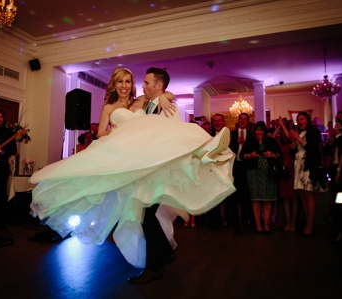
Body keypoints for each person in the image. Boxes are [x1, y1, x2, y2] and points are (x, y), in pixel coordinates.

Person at [30, 67, 235, 284]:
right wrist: (116, 131)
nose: (125, 86)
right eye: (120, 82)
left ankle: (203, 149)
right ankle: (160, 259)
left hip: (146, 161)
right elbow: (100, 134)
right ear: (114, 84)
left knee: (148, 213)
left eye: (128, 81)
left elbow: (161, 96)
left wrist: (165, 95)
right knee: (144, 216)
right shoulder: (109, 107)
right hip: (128, 162)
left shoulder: (140, 102)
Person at [279, 112, 324, 236]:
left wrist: (298, 139)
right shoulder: (301, 133)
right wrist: (293, 143)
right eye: (298, 119)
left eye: (302, 119)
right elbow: (294, 152)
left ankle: (310, 225)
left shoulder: (313, 132)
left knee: (309, 195)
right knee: (302, 196)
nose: (300, 121)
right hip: (298, 167)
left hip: (308, 167)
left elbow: (313, 149)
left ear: (307, 120)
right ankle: (306, 222)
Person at [240, 121, 281, 234]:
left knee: (268, 200)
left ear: (264, 130)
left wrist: (271, 155)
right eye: (257, 130)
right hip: (253, 173)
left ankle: (266, 223)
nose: (259, 132)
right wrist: (250, 155)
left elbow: (279, 154)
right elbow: (242, 156)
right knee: (256, 199)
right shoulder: (250, 142)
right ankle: (258, 224)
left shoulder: (271, 141)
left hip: (268, 173)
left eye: (261, 130)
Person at [228, 112, 253, 235]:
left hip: (246, 167)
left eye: (245, 119)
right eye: (241, 118)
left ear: (247, 122)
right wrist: (237, 143)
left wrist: (243, 144)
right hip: (233, 167)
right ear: (238, 120)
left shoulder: (251, 135)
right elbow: (227, 150)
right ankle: (235, 223)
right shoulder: (231, 134)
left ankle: (245, 221)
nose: (242, 120)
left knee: (245, 196)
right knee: (232, 196)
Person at [273, 118, 298, 231]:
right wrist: (278, 127)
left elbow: (289, 137)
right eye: (281, 133)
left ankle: (293, 222)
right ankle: (288, 221)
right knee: (285, 199)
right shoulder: (279, 143)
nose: (283, 135)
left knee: (294, 199)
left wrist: (283, 125)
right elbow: (272, 138)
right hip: (283, 173)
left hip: (293, 171)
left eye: (284, 132)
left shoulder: (293, 142)